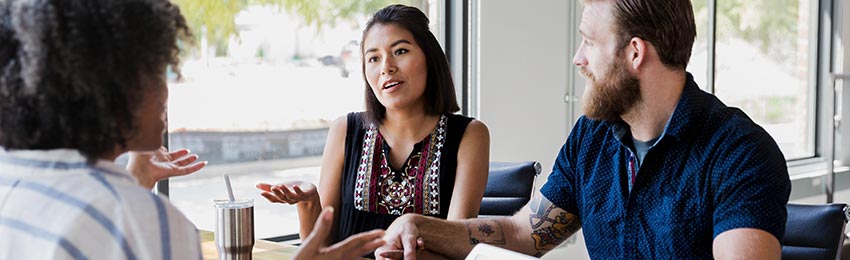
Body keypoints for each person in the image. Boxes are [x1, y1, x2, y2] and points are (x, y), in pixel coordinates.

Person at [375, 0, 792, 259]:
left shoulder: (741, 154)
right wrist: (422, 226)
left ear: (634, 53)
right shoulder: (591, 137)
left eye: (589, 42)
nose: (578, 59)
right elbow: (526, 234)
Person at [0, 0, 385, 258]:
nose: (169, 91)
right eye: (159, 70)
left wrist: (136, 176)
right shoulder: (145, 220)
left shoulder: (12, 179)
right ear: (116, 85)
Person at [257, 4, 491, 249]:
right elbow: (322, 248)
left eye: (400, 51)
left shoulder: (470, 135)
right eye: (373, 58)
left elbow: (459, 246)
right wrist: (308, 201)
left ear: (429, 58)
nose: (386, 67)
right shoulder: (344, 130)